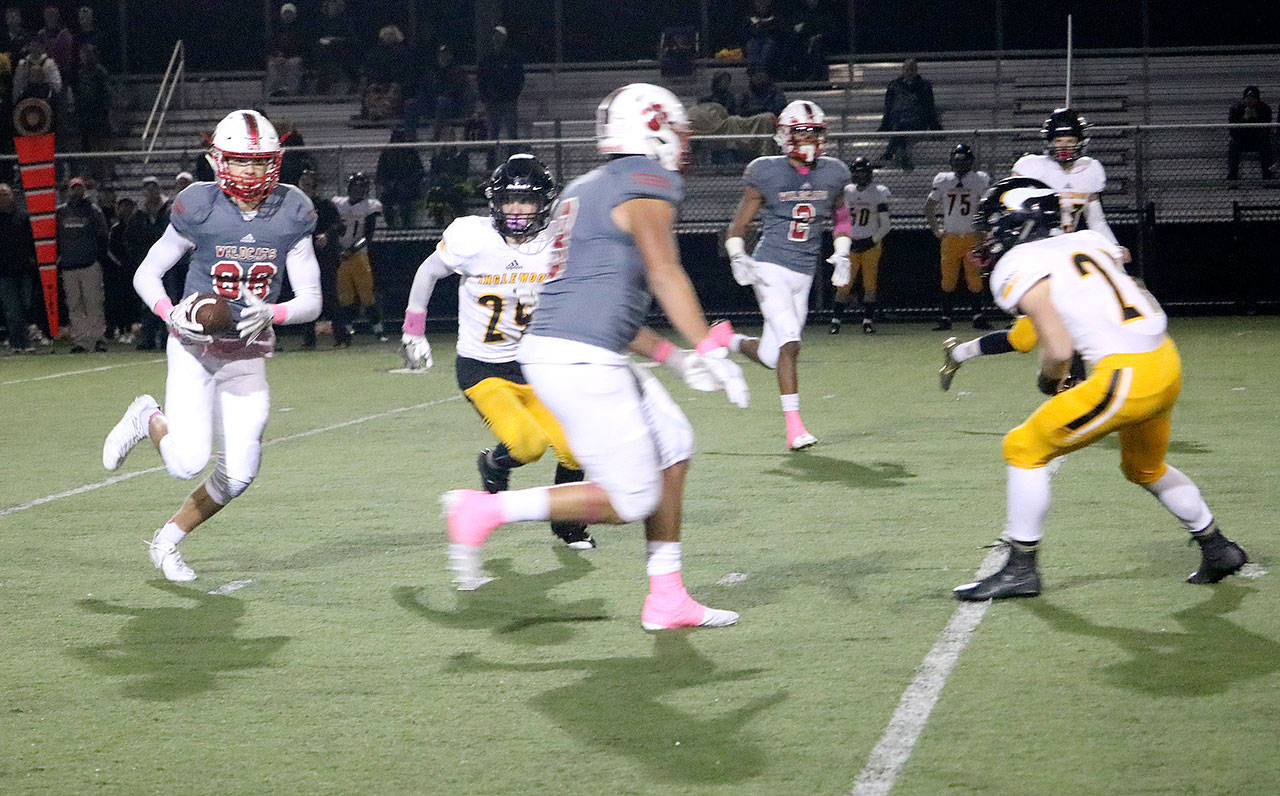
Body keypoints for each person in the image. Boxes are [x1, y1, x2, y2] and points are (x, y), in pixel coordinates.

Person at [441, 83, 748, 631]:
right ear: (653, 129)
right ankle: (485, 510)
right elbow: (664, 270)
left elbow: (606, 305)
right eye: (675, 130)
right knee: (631, 498)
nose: (682, 143)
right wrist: (704, 341)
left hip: (567, 348)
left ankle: (667, 596)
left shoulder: (587, 188)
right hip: (578, 359)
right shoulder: (645, 180)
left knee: (674, 444)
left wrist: (674, 359)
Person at [952, 177, 1248, 600]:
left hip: (1127, 376)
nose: (990, 233)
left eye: (995, 223)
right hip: (1165, 360)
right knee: (1144, 468)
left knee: (1023, 447)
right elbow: (1136, 288)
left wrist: (1049, 380)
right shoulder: (1090, 241)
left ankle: (1020, 569)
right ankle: (1218, 548)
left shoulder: (1017, 265)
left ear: (1016, 222)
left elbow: (1057, 349)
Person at [100, 109, 321, 582]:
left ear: (276, 162)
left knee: (239, 474)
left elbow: (313, 300)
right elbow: (147, 273)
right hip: (195, 347)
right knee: (186, 463)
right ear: (217, 161)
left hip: (247, 351)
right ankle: (147, 415)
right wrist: (169, 313)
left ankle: (167, 541)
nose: (251, 172)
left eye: (260, 162)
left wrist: (274, 311)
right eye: (240, 161)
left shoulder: (293, 209)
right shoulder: (197, 206)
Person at [401, 154, 596, 548]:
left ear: (545, 203)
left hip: (539, 366)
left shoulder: (559, 241)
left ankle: (568, 525)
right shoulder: (472, 237)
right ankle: (493, 463)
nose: (518, 209)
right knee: (527, 446)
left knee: (576, 450)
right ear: (495, 201)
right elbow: (427, 272)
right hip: (484, 366)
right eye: (510, 200)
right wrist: (413, 331)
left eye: (527, 201)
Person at [939, 108, 1122, 391]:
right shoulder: (1031, 167)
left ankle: (958, 353)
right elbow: (1005, 207)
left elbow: (1096, 220)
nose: (1063, 147)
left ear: (1081, 141)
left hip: (1065, 257)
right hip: (1032, 260)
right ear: (1048, 142)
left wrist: (1114, 252)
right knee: (1050, 327)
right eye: (1058, 141)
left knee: (1029, 336)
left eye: (1069, 140)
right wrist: (990, 246)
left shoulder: (1090, 171)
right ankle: (1075, 385)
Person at [725, 100, 851, 450]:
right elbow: (738, 226)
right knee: (790, 341)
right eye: (802, 131)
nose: (809, 138)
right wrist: (738, 254)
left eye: (814, 131)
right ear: (785, 135)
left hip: (804, 270)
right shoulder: (766, 171)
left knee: (771, 355)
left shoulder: (834, 172)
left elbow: (841, 217)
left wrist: (842, 250)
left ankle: (727, 339)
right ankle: (794, 427)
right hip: (770, 267)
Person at [924, 143, 990, 331]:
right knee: (948, 279)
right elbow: (929, 207)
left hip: (972, 236)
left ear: (970, 162)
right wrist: (936, 229)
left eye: (963, 160)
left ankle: (977, 317)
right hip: (952, 236)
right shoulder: (944, 180)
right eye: (957, 160)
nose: (960, 164)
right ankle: (946, 317)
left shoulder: (979, 179)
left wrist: (984, 231)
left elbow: (987, 206)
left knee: (975, 279)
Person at [828, 156, 890, 335]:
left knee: (870, 285)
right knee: (843, 283)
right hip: (850, 243)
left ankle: (867, 321)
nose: (861, 176)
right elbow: (837, 215)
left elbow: (886, 224)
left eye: (864, 172)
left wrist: (871, 240)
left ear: (869, 174)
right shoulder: (847, 191)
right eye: (858, 172)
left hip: (870, 243)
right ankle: (836, 321)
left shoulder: (878, 192)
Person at [56, 175, 110, 352]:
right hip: (69, 265)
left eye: (79, 187)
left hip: (89, 264)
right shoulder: (61, 212)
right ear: (69, 190)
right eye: (73, 188)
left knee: (94, 302)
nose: (76, 191)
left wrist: (96, 256)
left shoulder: (93, 210)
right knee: (74, 304)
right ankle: (81, 340)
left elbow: (103, 235)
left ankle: (97, 338)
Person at [331, 171, 385, 344]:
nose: (357, 190)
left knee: (367, 295)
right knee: (345, 297)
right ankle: (348, 331)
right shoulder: (338, 203)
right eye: (355, 187)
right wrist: (339, 249)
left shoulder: (370, 206)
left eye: (361, 187)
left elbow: (368, 235)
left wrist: (351, 250)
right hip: (341, 255)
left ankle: (378, 331)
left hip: (359, 255)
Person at [294, 169, 342, 349]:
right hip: (303, 257)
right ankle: (308, 340)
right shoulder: (294, 206)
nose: (305, 186)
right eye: (303, 182)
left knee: (330, 296)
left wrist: (326, 235)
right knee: (305, 296)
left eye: (308, 183)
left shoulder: (324, 205)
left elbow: (338, 225)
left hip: (324, 257)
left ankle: (342, 336)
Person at [126, 175, 172, 350]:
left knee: (168, 300)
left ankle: (169, 337)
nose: (151, 191)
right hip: (147, 263)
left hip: (169, 264)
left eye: (153, 187)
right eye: (147, 188)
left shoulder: (169, 210)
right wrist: (137, 258)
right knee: (148, 302)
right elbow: (129, 238)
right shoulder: (139, 215)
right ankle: (148, 338)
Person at [876, 58, 939, 171]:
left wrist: (935, 127)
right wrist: (884, 125)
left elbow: (930, 107)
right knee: (901, 127)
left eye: (912, 69)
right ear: (903, 70)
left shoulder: (924, 86)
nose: (910, 72)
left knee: (900, 128)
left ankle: (889, 154)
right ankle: (904, 157)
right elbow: (888, 107)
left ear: (916, 70)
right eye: (907, 69)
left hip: (917, 121)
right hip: (898, 121)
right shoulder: (894, 85)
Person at [476, 25, 524, 170]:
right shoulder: (487, 58)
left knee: (512, 135)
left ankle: (514, 166)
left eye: (500, 36)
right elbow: (481, 79)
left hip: (508, 101)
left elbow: (519, 79)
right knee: (492, 136)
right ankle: (490, 168)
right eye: (495, 36)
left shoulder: (512, 57)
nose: (497, 39)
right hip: (492, 103)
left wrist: (512, 95)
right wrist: (486, 98)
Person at [0, 181, 36, 352]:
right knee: (12, 309)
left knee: (26, 305)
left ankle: (23, 339)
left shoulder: (23, 217)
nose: (3, 198)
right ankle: (18, 344)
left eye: (5, 194)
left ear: (12, 196)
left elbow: (31, 242)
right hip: (4, 272)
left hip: (24, 270)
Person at [375, 127, 425, 229]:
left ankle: (407, 227)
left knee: (406, 202)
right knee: (387, 202)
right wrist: (389, 184)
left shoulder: (411, 153)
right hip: (391, 189)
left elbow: (419, 172)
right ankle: (391, 227)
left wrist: (406, 183)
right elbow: (380, 174)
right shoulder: (387, 154)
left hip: (409, 188)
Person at [1227, 85, 1273, 181]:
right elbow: (1233, 131)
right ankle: (1232, 177)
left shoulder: (1265, 109)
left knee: (1267, 144)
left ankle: (1268, 176)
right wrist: (1244, 119)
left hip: (1258, 140)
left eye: (1253, 98)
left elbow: (1267, 130)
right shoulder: (1236, 109)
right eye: (1248, 98)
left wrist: (1257, 119)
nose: (1250, 101)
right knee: (1233, 145)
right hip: (1242, 140)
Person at [266, 2, 306, 97]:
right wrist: (277, 56)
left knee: (293, 64)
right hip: (278, 58)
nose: (288, 15)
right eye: (285, 13)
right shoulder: (276, 29)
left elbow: (301, 47)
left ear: (294, 15)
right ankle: (273, 92)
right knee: (272, 65)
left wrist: (286, 57)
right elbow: (271, 45)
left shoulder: (300, 29)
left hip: (294, 57)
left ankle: (291, 92)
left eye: (290, 13)